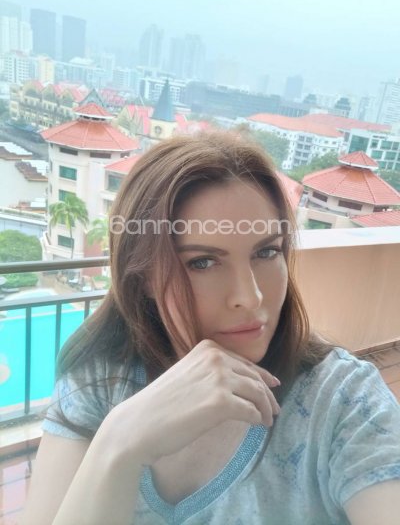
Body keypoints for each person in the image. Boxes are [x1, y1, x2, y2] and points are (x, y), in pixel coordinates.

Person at [21, 130, 400, 525]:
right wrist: (118, 445)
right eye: (202, 262)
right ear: (143, 276)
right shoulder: (100, 377)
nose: (250, 297)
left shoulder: (343, 402)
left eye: (266, 252)